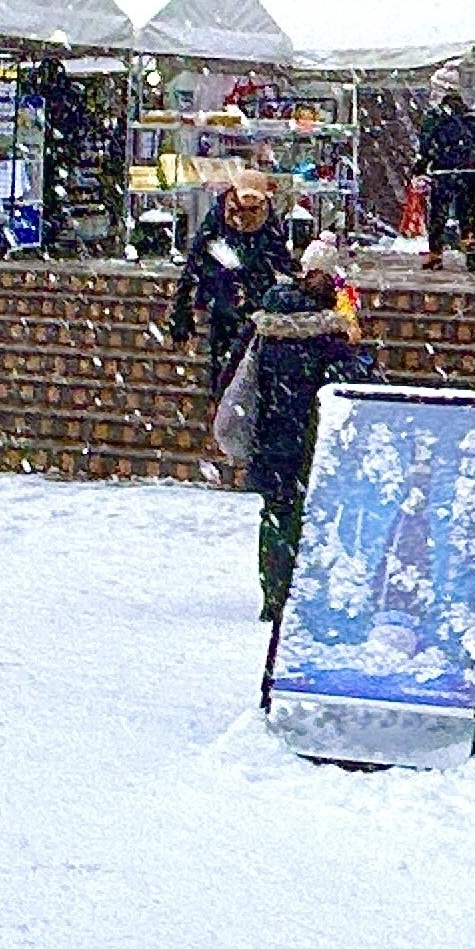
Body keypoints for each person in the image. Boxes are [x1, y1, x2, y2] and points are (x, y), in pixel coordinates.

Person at [243, 238, 367, 623]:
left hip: (271, 437)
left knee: (276, 514)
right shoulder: (330, 339)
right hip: (312, 441)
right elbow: (354, 383)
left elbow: (241, 381)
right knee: (311, 517)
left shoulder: (266, 327)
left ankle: (273, 594)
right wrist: (353, 343)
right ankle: (302, 591)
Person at [166, 177, 284, 401]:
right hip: (224, 298)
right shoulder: (218, 217)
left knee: (248, 361)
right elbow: (195, 262)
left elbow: (280, 258)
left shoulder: (267, 219)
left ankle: (235, 403)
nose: (249, 201)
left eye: (255, 197)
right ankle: (224, 402)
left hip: (255, 301)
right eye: (246, 195)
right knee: (225, 360)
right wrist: (183, 312)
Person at [416, 76, 475, 273]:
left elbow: (426, 144)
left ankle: (436, 255)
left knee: (438, 214)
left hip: (444, 171)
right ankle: (470, 242)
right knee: (467, 211)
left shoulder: (436, 117)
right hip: (469, 171)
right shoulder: (471, 118)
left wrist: (420, 168)